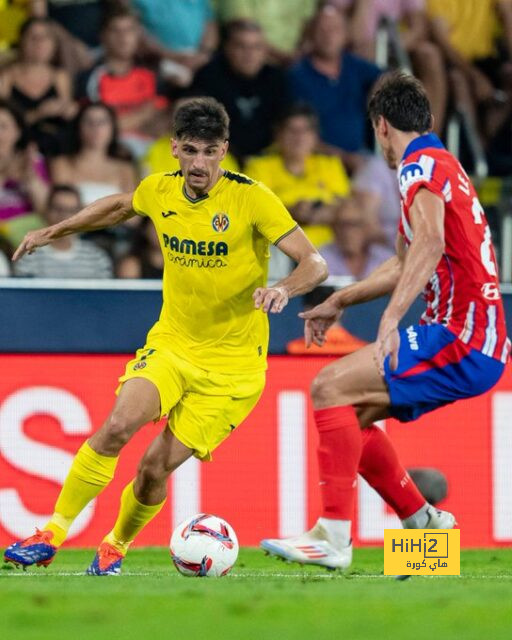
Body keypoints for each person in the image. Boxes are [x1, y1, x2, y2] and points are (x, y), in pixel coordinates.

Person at [4, 97, 327, 575]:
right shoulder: (160, 190)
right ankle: (50, 533)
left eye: (211, 152)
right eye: (191, 150)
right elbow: (117, 207)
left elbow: (314, 262)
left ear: (225, 151)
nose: (200, 163)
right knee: (116, 426)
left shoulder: (252, 197)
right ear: (174, 147)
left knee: (154, 469)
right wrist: (55, 229)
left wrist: (283, 288)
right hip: (173, 344)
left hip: (234, 369)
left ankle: (114, 547)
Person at [261, 72, 509, 569]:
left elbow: (431, 243)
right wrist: (341, 301)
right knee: (347, 417)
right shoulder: (441, 165)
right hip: (475, 340)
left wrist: (391, 319)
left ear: (380, 126)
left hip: (461, 338)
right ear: (429, 121)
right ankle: (425, 529)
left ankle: (333, 537)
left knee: (328, 386)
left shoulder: (417, 168)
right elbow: (404, 261)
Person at [245, 103, 350, 250]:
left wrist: (325, 213)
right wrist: (291, 212)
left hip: (327, 249)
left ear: (315, 136)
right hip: (277, 249)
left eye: (305, 130)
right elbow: (253, 211)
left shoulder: (330, 164)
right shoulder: (259, 167)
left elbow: (346, 206)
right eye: (291, 130)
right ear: (278, 135)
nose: (299, 137)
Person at [287, 5, 381, 166]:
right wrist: (344, 158)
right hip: (316, 162)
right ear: (311, 34)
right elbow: (296, 134)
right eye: (322, 31)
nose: (328, 36)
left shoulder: (354, 65)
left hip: (361, 156)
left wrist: (380, 88)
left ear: (345, 35)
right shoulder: (297, 76)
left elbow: (389, 76)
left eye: (335, 30)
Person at [187, 19, 291, 162]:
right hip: (219, 160)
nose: (249, 54)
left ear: (265, 51)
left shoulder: (276, 78)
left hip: (267, 163)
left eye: (256, 47)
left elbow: (286, 126)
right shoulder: (209, 76)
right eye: (241, 46)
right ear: (227, 48)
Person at [75, 7, 169, 158]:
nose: (123, 37)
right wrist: (143, 114)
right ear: (103, 36)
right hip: (113, 151)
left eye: (129, 30)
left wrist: (124, 121)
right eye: (115, 31)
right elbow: (96, 127)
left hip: (154, 150)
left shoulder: (152, 74)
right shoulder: (90, 78)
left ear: (137, 35)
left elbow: (161, 121)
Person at [0, 16, 77, 156]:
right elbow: (3, 120)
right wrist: (39, 113)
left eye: (45, 37)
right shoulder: (6, 77)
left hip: (55, 144)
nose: (39, 43)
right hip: (17, 145)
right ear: (21, 41)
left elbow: (68, 110)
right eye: (33, 37)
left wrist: (69, 110)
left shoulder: (60, 77)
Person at [13, 184, 113, 278]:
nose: (64, 216)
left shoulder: (96, 258)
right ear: (47, 211)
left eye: (71, 211)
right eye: (58, 209)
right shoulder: (29, 257)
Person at [50, 102, 138, 207]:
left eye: (102, 122)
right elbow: (60, 208)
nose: (96, 128)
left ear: (112, 128)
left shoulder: (125, 168)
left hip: (118, 224)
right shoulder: (61, 163)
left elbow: (133, 215)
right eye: (89, 122)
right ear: (78, 127)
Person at [0, 99, 49, 245]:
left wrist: (31, 178)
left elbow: (45, 209)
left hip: (25, 236)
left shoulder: (32, 160)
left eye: (3, 126)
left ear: (18, 131)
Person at [320, 199, 394, 278]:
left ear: (366, 227)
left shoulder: (385, 259)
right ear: (334, 228)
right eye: (342, 225)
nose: (347, 232)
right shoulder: (322, 259)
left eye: (354, 225)